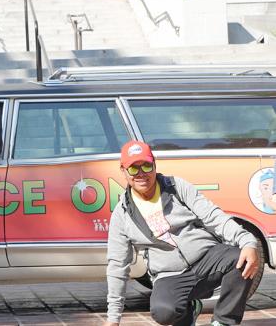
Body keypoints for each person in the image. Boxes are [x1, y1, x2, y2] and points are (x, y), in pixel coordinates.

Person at [104, 140, 260, 326]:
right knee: (163, 313)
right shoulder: (122, 215)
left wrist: (248, 242)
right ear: (123, 171)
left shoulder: (177, 187)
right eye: (133, 168)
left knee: (241, 258)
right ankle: (189, 309)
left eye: (146, 165)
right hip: (169, 274)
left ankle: (223, 321)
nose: (141, 173)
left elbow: (214, 216)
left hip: (206, 258)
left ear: (154, 164)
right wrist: (113, 319)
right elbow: (117, 266)